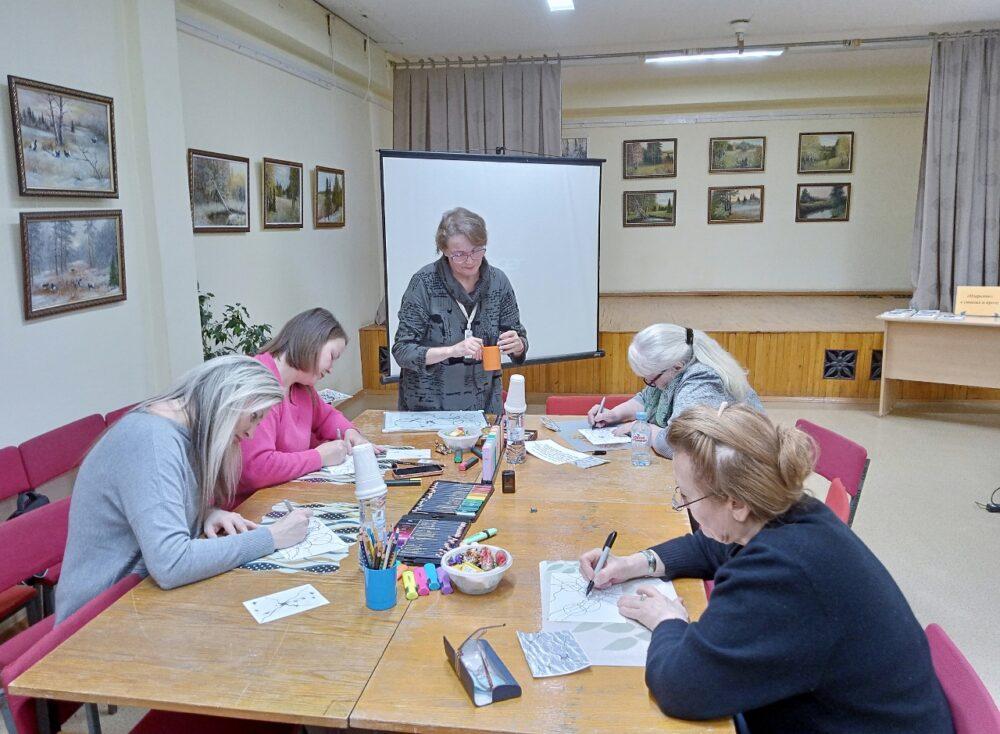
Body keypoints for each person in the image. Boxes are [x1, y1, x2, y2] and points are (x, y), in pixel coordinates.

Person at [578, 405, 953, 733]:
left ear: (736, 503)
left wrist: (667, 621)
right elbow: (710, 545)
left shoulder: (780, 575)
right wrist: (633, 564)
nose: (684, 506)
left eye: (687, 496)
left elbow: (681, 688)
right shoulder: (790, 515)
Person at [56, 356, 312, 623]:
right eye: (255, 417)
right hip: (96, 620)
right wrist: (272, 537)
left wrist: (205, 513)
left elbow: (153, 505)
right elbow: (172, 563)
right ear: (231, 400)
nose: (251, 433)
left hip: (139, 600)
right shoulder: (152, 441)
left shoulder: (176, 431)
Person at [392, 207, 528, 414]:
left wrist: (517, 345)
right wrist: (452, 350)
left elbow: (519, 338)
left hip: (484, 404)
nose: (470, 260)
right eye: (459, 254)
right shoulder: (424, 283)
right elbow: (403, 351)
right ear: (444, 250)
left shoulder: (498, 282)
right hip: (428, 406)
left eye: (477, 250)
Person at [238, 308, 377, 496]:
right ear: (312, 342)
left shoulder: (301, 387)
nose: (331, 369)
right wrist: (319, 457)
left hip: (284, 494)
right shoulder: (258, 385)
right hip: (248, 507)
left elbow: (326, 416)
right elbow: (257, 468)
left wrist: (350, 432)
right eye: (332, 357)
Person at [588, 323, 762, 458]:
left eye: (651, 379)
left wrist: (640, 428)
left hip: (742, 471)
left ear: (676, 367)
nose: (650, 384)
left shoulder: (702, 380)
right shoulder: (678, 365)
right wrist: (614, 415)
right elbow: (647, 399)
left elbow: (678, 445)